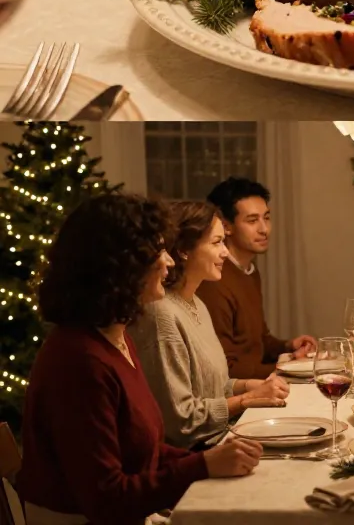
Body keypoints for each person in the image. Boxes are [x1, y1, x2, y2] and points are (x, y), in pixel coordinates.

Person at [17, 192, 262, 525]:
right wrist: (202, 466)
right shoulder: (79, 361)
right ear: (119, 265)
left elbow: (143, 451)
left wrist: (212, 458)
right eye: (157, 251)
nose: (169, 262)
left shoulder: (116, 336)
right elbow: (106, 499)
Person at [131, 200, 291, 450]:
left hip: (221, 437)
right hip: (194, 453)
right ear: (184, 250)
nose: (225, 252)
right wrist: (247, 399)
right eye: (216, 243)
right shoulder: (162, 315)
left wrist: (249, 385)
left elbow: (212, 388)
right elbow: (181, 420)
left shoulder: (197, 303)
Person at [198, 177, 317, 379]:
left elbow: (257, 341)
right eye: (252, 221)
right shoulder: (214, 279)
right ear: (226, 226)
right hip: (239, 398)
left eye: (267, 218)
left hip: (260, 384)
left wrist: (288, 346)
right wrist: (287, 369)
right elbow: (226, 369)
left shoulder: (249, 272)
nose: (264, 229)